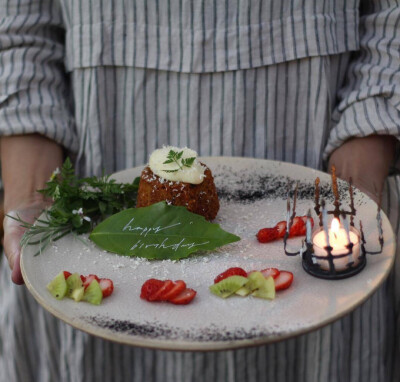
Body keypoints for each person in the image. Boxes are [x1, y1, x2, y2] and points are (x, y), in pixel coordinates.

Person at [0, 0, 399, 381]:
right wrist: (33, 193)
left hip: (313, 166)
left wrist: (358, 178)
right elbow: (22, 38)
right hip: (101, 159)